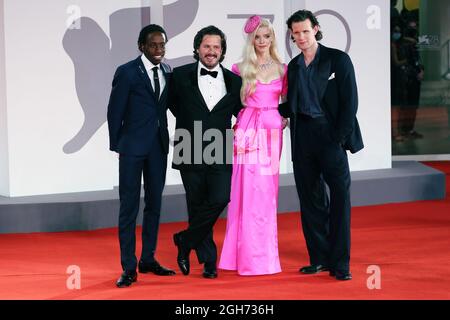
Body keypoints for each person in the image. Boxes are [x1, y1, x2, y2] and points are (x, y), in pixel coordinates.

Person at [279, 10, 364, 281]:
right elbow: (288, 105)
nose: (301, 37)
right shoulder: (293, 66)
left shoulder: (338, 59)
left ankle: (340, 264)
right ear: (291, 35)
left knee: (340, 200)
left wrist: (338, 138)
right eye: (296, 32)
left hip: (330, 137)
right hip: (302, 137)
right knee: (311, 201)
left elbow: (350, 103)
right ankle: (319, 258)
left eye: (305, 30)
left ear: (315, 29)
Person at [169, 26, 243, 279]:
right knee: (197, 204)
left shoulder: (235, 81)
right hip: (188, 145)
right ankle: (209, 261)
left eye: (216, 47)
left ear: (222, 51)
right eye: (207, 46)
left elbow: (242, 113)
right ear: (198, 48)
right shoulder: (178, 76)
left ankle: (185, 240)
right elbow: (173, 106)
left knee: (221, 198)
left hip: (221, 147)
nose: (211, 52)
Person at [218, 16, 288, 276]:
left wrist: (284, 119)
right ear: (251, 39)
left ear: (272, 38)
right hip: (248, 129)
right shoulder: (238, 69)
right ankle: (243, 255)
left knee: (267, 193)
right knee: (247, 191)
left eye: (266, 36)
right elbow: (231, 104)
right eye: (257, 37)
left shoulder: (283, 69)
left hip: (272, 133)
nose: (262, 41)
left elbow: (288, 102)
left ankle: (264, 256)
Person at [107, 24, 175, 288]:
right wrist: (118, 145)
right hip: (132, 148)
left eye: (162, 45)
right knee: (129, 207)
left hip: (158, 147)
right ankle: (129, 266)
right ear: (142, 46)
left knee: (154, 205)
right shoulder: (126, 72)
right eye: (154, 45)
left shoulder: (168, 71)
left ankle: (148, 259)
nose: (159, 50)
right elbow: (114, 111)